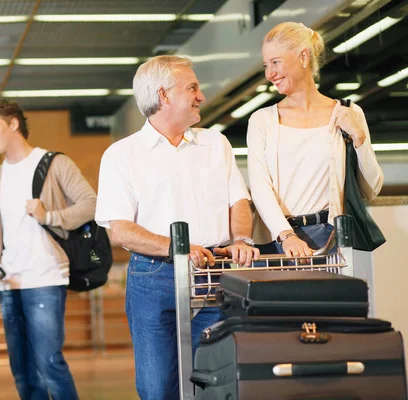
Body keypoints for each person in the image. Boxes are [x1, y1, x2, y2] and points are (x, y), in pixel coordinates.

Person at [95, 55, 259, 400]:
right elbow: (120, 230)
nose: (201, 96)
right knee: (158, 388)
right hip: (154, 278)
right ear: (164, 95)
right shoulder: (121, 155)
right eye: (192, 88)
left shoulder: (216, 143)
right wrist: (177, 248)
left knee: (220, 382)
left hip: (217, 274)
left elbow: (239, 202)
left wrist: (242, 237)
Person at [0, 99, 96, 400]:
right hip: (9, 283)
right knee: (21, 369)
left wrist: (50, 216)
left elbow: (91, 204)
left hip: (46, 278)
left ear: (14, 124)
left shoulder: (54, 163)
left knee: (48, 362)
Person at [247, 22, 384, 257]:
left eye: (276, 62)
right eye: (266, 65)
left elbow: (372, 189)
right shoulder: (262, 120)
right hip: (277, 238)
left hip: (330, 237)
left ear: (303, 57)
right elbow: (260, 188)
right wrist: (287, 235)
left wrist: (358, 137)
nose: (270, 74)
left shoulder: (348, 112)